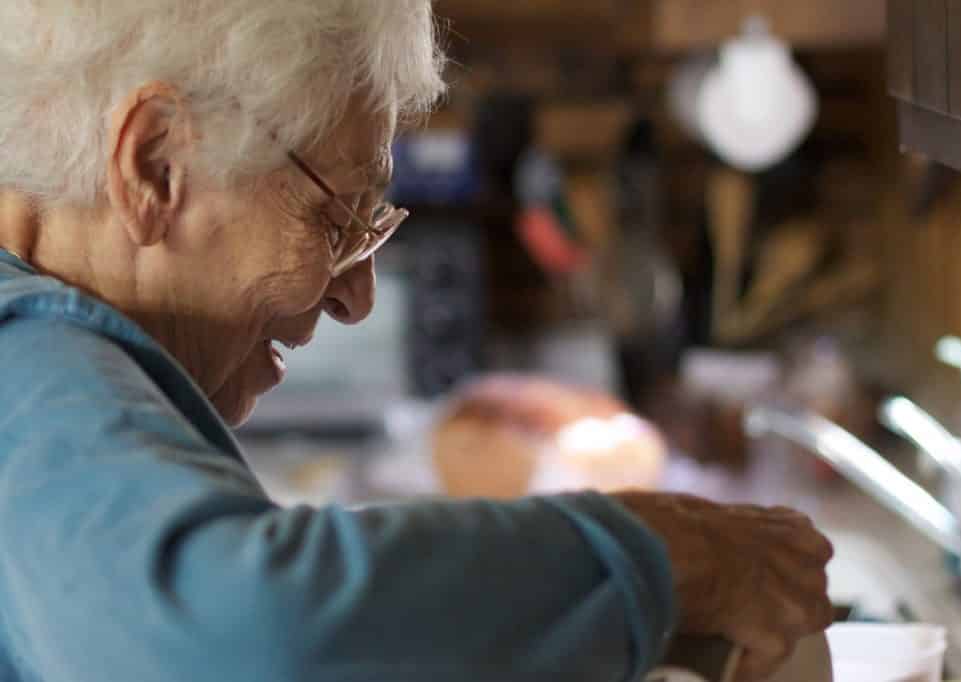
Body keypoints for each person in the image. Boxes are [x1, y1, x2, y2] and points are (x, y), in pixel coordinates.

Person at [0, 2, 833, 681]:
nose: (357, 297)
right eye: (337, 217)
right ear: (154, 165)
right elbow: (248, 631)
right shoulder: (31, 361)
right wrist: (671, 559)